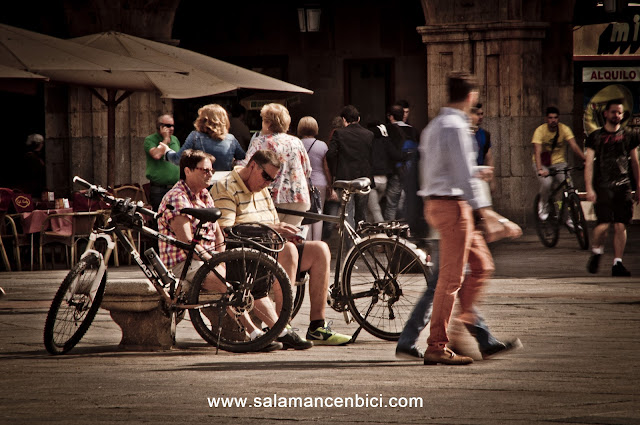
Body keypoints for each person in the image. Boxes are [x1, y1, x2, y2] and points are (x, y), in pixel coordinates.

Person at [417, 71, 522, 365]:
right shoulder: (455, 126)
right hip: (453, 206)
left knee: (482, 266)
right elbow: (462, 173)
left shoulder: (435, 125)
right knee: (450, 280)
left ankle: (465, 324)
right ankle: (437, 344)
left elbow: (447, 170)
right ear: (471, 96)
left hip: (442, 202)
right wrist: (486, 213)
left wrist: (477, 178)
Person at [157, 149, 297, 352]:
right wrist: (213, 262)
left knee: (241, 275)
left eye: (211, 170)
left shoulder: (204, 195)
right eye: (204, 170)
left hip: (205, 258)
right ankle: (254, 334)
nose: (209, 174)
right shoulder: (177, 198)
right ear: (187, 171)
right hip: (183, 263)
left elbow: (218, 234)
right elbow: (187, 243)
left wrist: (222, 259)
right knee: (228, 282)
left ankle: (278, 329)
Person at [211, 150, 351, 346]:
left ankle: (317, 326)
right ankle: (280, 326)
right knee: (288, 250)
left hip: (269, 246)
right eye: (266, 176)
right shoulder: (226, 186)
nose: (268, 182)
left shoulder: (262, 188)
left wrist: (285, 232)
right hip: (246, 252)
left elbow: (274, 224)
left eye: (272, 179)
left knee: (320, 249)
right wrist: (272, 229)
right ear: (252, 166)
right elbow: (226, 231)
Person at [585, 99, 640, 277]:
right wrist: (589, 188)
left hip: (623, 185)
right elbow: (589, 165)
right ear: (606, 114)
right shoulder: (595, 137)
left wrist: (638, 185)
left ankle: (618, 263)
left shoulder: (629, 135)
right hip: (602, 186)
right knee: (603, 225)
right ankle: (596, 251)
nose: (616, 115)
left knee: (620, 225)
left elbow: (635, 162)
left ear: (622, 115)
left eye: (619, 112)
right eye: (613, 112)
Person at [242, 103, 312, 228]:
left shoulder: (261, 141)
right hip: (299, 196)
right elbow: (307, 170)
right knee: (291, 239)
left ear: (268, 123)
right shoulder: (296, 141)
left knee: (271, 240)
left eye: (263, 120)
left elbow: (248, 168)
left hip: (274, 197)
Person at [532, 106, 586, 220]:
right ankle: (544, 205)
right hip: (542, 163)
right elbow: (537, 151)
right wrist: (540, 169)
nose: (553, 120)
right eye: (550, 118)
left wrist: (585, 159)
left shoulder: (564, 129)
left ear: (558, 119)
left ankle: (570, 217)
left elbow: (574, 146)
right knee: (547, 183)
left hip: (559, 163)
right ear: (546, 119)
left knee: (569, 186)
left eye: (555, 118)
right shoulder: (540, 131)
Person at [326, 105, 374, 232]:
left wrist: (335, 172)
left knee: (347, 214)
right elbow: (373, 156)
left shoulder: (339, 133)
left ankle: (350, 248)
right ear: (358, 118)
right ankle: (362, 246)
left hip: (345, 179)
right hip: (364, 179)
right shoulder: (369, 134)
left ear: (343, 119)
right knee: (362, 215)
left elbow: (330, 154)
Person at [162, 104, 245, 172]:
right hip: (224, 185)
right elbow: (243, 158)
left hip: (202, 186)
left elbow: (178, 159)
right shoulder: (231, 139)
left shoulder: (195, 136)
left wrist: (166, 151)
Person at [297, 116, 334, 241]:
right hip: (320, 182)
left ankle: (306, 245)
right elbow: (326, 167)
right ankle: (317, 243)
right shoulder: (322, 145)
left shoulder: (297, 144)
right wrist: (330, 185)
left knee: (305, 214)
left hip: (302, 183)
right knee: (318, 213)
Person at [144, 114, 181, 211]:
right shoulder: (150, 139)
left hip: (175, 187)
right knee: (160, 216)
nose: (171, 128)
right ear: (160, 127)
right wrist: (165, 139)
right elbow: (156, 155)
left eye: (173, 125)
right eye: (168, 126)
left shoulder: (175, 139)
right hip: (159, 189)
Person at [366, 122, 399, 223]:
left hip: (372, 181)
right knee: (371, 210)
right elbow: (396, 154)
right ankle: (368, 235)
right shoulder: (385, 142)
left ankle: (383, 232)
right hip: (383, 180)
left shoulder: (368, 143)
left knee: (375, 210)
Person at [21, 133, 46, 198]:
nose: (42, 145)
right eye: (41, 143)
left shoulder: (36, 156)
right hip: (32, 189)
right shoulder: (31, 157)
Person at [470, 103, 493, 168]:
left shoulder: (485, 134)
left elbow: (488, 158)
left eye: (481, 114)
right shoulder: (461, 132)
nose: (480, 117)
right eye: (478, 114)